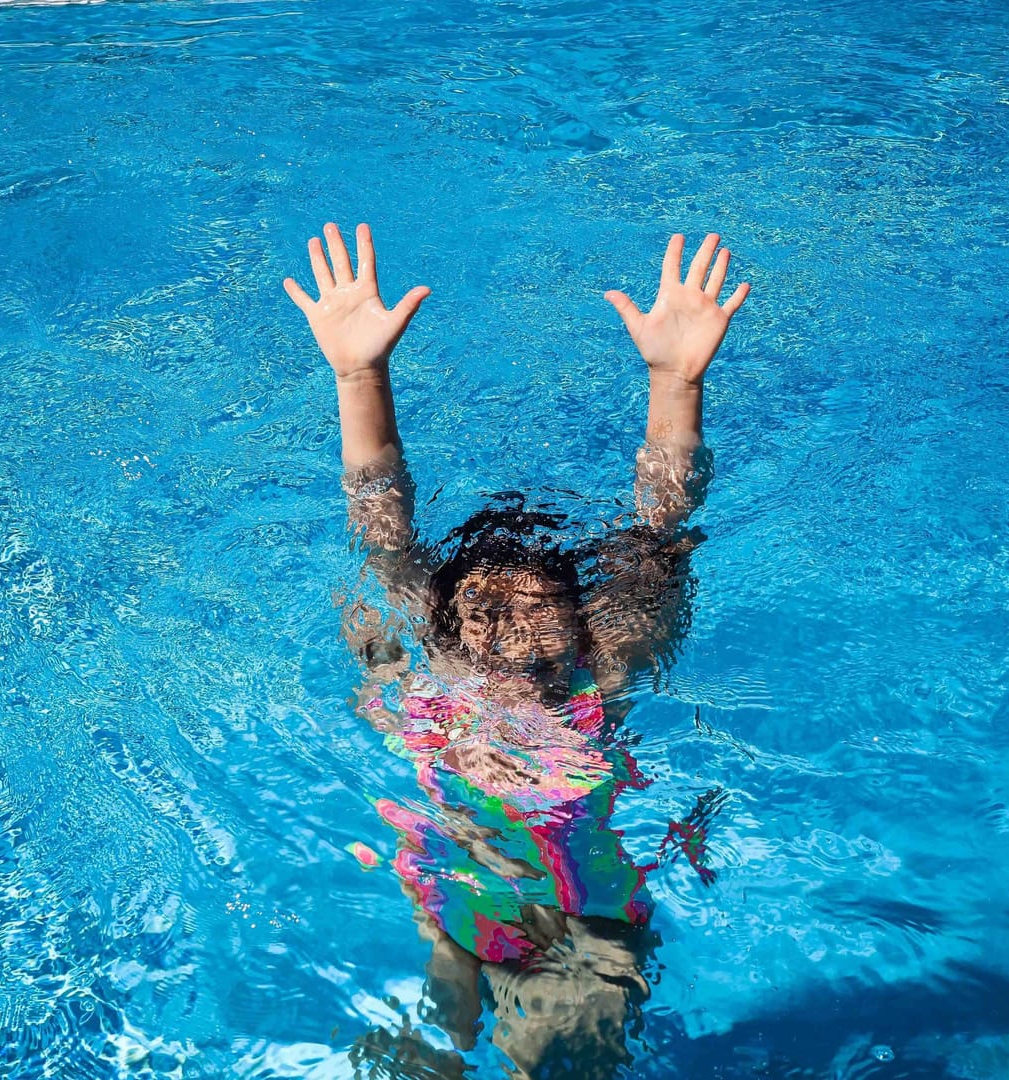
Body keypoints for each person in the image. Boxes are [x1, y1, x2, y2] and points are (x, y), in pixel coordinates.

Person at [284, 223, 751, 1078]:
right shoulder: (438, 672)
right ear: (449, 628)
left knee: (558, 1050)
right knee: (437, 1044)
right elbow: (383, 532)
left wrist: (675, 383)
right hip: (454, 905)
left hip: (589, 920)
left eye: (541, 613)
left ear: (582, 629)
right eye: (487, 612)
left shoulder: (597, 680)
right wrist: (359, 375)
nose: (515, 633)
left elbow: (660, 530)